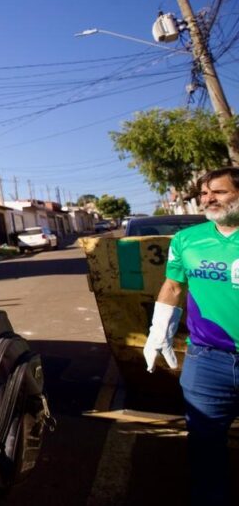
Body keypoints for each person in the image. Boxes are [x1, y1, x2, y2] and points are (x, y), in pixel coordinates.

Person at [144, 166, 239, 506]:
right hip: (207, 361)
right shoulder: (187, 240)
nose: (208, 198)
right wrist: (159, 332)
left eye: (219, 191)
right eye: (204, 193)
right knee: (205, 445)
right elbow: (173, 285)